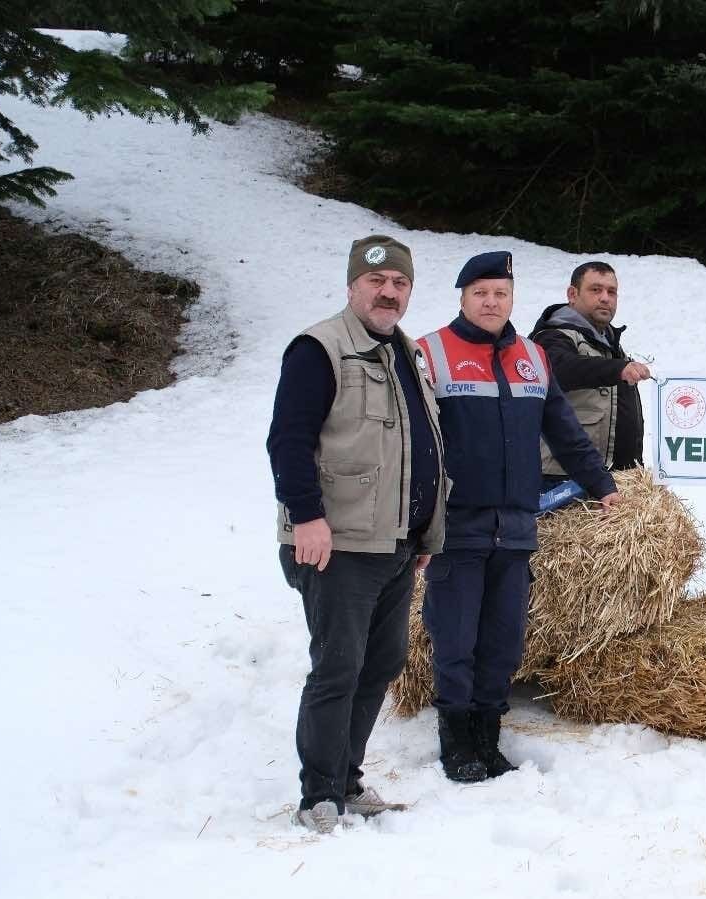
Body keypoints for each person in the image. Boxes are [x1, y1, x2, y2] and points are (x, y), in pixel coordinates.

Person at [417, 251, 620, 783]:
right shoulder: (430, 353)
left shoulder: (531, 355)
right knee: (456, 636)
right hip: (457, 524)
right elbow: (412, 444)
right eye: (481, 293)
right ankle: (456, 738)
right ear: (462, 297)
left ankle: (488, 735)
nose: (491, 302)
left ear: (513, 299)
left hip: (515, 524)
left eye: (501, 293)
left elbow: (564, 430)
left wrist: (603, 486)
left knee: (504, 639)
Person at [268, 234, 447, 834]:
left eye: (399, 283)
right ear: (353, 285)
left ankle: (347, 777)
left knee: (382, 662)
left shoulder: (405, 353)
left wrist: (422, 532)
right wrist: (306, 519)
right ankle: (317, 792)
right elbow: (288, 441)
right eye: (376, 282)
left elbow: (417, 444)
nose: (388, 292)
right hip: (338, 542)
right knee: (338, 666)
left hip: (394, 542)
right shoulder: (319, 349)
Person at [529, 260, 649, 484]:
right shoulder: (553, 335)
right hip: (562, 479)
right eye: (596, 290)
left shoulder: (610, 343)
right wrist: (618, 369)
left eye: (611, 292)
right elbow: (559, 368)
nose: (605, 298)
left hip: (610, 482)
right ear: (572, 294)